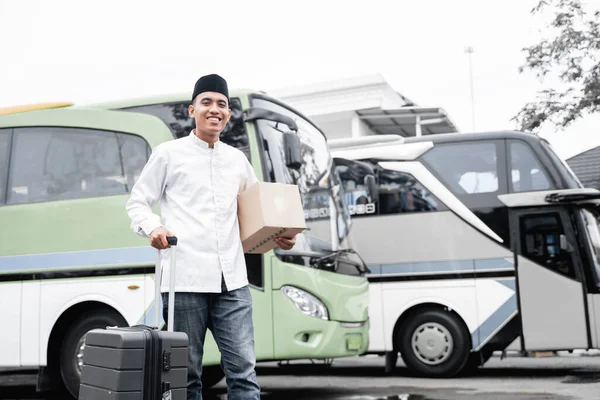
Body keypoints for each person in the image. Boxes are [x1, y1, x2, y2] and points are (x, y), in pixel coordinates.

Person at [125, 73, 296, 400]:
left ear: (228, 115)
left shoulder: (237, 160)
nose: (214, 109)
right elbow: (137, 202)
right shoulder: (168, 154)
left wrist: (279, 236)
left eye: (221, 104)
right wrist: (154, 227)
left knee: (244, 372)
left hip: (232, 282)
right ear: (192, 110)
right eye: (207, 103)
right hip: (184, 280)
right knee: (186, 376)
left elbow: (255, 213)